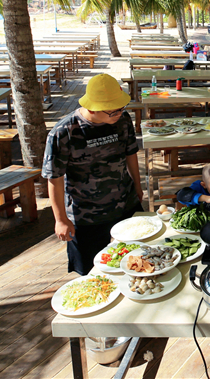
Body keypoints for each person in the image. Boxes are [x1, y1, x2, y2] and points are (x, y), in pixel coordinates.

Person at [42, 74, 143, 274]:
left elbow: (131, 155)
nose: (118, 114)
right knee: (90, 271)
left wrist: (138, 189)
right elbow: (54, 178)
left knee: (137, 262)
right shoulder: (64, 132)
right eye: (112, 111)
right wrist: (60, 219)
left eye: (121, 108)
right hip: (86, 216)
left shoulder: (122, 121)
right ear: (91, 108)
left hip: (125, 205)